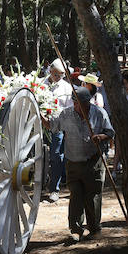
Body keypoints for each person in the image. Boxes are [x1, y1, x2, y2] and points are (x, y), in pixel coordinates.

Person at [43, 87, 114, 242]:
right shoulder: (66, 114)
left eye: (81, 103)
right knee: (75, 195)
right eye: (75, 103)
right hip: (73, 162)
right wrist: (40, 115)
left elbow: (110, 133)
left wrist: (100, 137)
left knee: (93, 196)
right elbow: (52, 125)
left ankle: (94, 228)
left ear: (88, 102)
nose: (77, 106)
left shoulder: (99, 113)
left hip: (93, 161)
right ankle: (75, 230)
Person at [45, 59, 74, 202]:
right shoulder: (40, 85)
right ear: (50, 71)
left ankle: (54, 189)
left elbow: (69, 109)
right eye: (55, 74)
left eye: (61, 75)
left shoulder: (67, 88)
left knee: (57, 155)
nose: (57, 77)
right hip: (41, 124)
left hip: (58, 126)